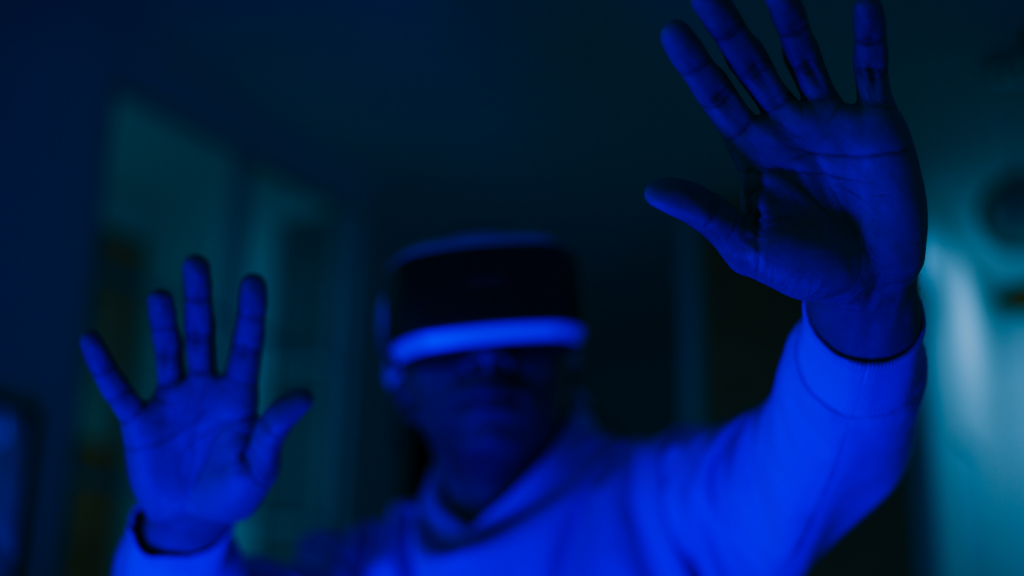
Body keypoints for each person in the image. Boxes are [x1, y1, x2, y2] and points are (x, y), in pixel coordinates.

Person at [79, 0, 928, 573]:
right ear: (399, 387)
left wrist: (861, 305)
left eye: (522, 346)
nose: (491, 370)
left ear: (572, 367)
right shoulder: (354, 561)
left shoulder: (670, 504)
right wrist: (184, 532)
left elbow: (805, 473)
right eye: (456, 356)